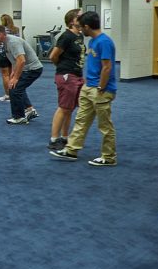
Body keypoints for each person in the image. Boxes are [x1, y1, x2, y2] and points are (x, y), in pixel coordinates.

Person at [50, 11, 118, 166]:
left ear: (87, 27)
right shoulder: (92, 41)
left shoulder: (104, 42)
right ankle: (71, 150)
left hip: (101, 90)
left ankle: (109, 157)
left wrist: (101, 86)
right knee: (81, 120)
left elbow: (107, 67)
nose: (80, 30)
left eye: (82, 27)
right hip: (89, 87)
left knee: (105, 126)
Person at [0, 24, 42, 125]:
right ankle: (30, 110)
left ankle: (19, 117)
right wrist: (13, 74)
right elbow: (15, 61)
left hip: (33, 69)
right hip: (26, 68)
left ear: (0, 34)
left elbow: (21, 60)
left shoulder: (13, 42)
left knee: (14, 88)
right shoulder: (5, 42)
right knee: (17, 87)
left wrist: (15, 78)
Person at [47, 9, 84, 150]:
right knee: (63, 107)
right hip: (66, 75)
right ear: (71, 21)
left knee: (70, 108)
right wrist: (63, 69)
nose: (82, 18)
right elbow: (53, 56)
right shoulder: (66, 36)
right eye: (79, 17)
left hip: (76, 75)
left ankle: (64, 137)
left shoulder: (79, 36)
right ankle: (54, 139)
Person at [0, 13, 20, 102]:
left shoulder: (2, 30)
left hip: (3, 53)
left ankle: (7, 95)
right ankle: (13, 94)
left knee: (5, 75)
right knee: (12, 75)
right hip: (12, 54)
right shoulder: (16, 29)